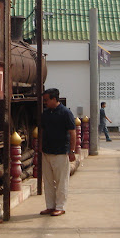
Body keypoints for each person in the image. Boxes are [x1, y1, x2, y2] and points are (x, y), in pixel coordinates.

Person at [40, 88, 77, 216]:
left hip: (61, 152)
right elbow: (42, 131)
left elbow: (72, 133)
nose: (44, 102)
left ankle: (60, 206)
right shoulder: (45, 114)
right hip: (47, 152)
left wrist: (72, 151)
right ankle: (50, 206)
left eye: (46, 100)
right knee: (48, 181)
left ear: (54, 99)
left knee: (61, 181)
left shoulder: (66, 113)